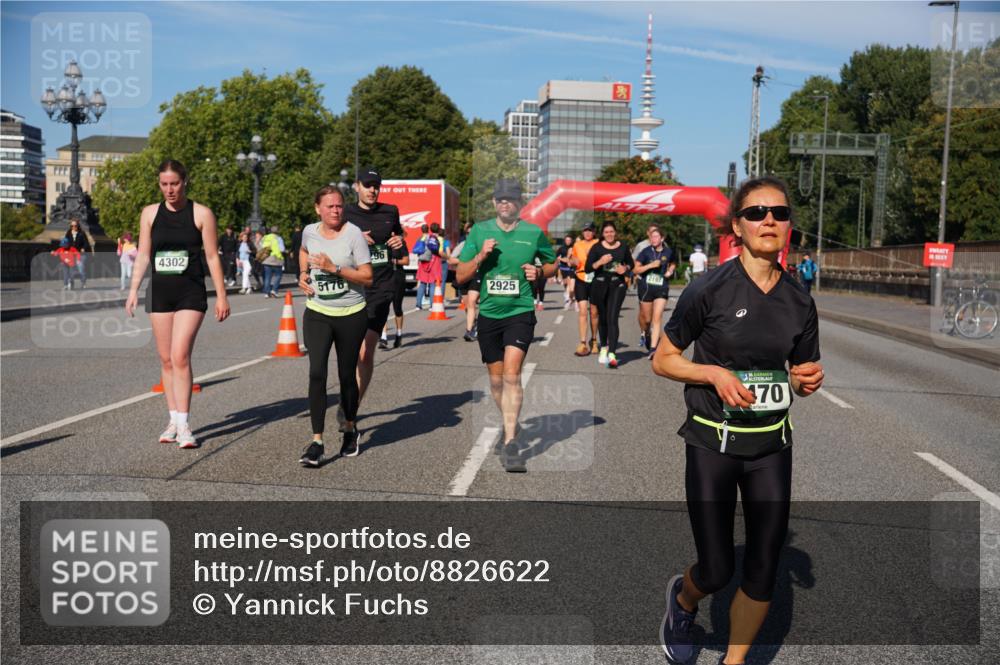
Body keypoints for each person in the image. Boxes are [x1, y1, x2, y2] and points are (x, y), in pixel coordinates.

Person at [652, 175, 823, 665]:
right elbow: (663, 360)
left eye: (780, 213)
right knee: (716, 569)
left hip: (771, 448)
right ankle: (683, 602)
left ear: (789, 225)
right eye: (756, 213)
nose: (769, 220)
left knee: (764, 569)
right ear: (737, 226)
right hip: (712, 444)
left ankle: (734, 660)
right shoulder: (710, 289)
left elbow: (799, 372)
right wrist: (711, 373)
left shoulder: (799, 299)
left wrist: (805, 380)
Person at [125, 159, 230, 449]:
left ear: (185, 182)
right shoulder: (149, 214)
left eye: (174, 184)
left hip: (190, 293)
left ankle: (184, 425)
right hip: (159, 291)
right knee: (166, 359)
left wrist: (221, 295)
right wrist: (133, 289)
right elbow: (144, 254)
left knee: (180, 354)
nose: (169, 190)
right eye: (164, 184)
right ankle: (172, 420)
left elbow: (212, 256)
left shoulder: (201, 214)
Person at [457, 178, 556, 472]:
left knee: (513, 375)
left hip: (520, 311)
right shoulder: (480, 231)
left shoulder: (533, 233)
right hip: (489, 313)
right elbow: (461, 275)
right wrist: (481, 256)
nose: (505, 204)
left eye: (510, 199)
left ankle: (511, 443)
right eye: (500, 199)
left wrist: (538, 271)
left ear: (519, 204)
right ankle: (510, 421)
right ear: (493, 203)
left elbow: (553, 264)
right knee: (497, 380)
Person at [297, 186, 373, 466]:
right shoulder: (309, 231)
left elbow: (367, 277)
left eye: (339, 206)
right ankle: (317, 441)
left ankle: (350, 427)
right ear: (318, 208)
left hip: (352, 313)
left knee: (345, 375)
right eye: (329, 206)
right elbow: (304, 251)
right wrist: (303, 273)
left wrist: (335, 269)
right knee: (316, 372)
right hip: (318, 311)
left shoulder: (353, 234)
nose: (335, 211)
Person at [341, 166, 407, 426]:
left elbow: (400, 239)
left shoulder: (390, 211)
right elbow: (328, 241)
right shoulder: (345, 213)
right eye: (367, 185)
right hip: (349, 289)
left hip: (380, 288)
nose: (372, 190)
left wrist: (399, 241)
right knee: (349, 354)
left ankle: (351, 410)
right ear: (356, 186)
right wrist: (354, 239)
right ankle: (348, 400)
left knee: (365, 353)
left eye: (376, 185)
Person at [585, 221, 634, 368]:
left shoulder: (623, 247)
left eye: (612, 231)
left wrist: (624, 268)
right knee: (603, 319)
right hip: (599, 285)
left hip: (617, 285)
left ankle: (612, 353)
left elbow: (631, 264)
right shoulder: (597, 248)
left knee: (612, 317)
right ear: (602, 234)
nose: (609, 234)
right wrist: (600, 261)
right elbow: (588, 268)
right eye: (606, 232)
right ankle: (604, 347)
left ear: (615, 232)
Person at [634, 225, 677, 357]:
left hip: (661, 287)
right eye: (652, 236)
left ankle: (653, 349)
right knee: (647, 320)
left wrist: (670, 271)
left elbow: (673, 263)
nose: (653, 239)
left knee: (657, 318)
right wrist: (651, 265)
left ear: (662, 238)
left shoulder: (668, 252)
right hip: (646, 288)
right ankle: (646, 333)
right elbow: (636, 270)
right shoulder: (645, 252)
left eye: (656, 236)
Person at [571, 224, 600, 356]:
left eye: (590, 230)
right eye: (585, 230)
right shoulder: (577, 245)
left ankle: (594, 340)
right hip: (581, 278)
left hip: (595, 279)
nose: (587, 233)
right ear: (582, 232)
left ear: (594, 232)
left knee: (594, 312)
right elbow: (574, 258)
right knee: (583, 311)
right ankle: (582, 342)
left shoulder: (599, 243)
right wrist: (572, 261)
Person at [450, 223, 481, 342]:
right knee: (468, 305)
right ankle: (474, 323)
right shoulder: (462, 245)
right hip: (463, 277)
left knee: (472, 302)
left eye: (472, 233)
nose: (470, 235)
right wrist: (465, 261)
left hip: (476, 276)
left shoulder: (480, 245)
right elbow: (451, 260)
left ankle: (469, 331)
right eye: (468, 233)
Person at [379, 235, 409, 350]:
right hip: (383, 278)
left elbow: (406, 261)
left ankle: (399, 334)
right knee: (382, 308)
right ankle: (383, 337)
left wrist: (393, 261)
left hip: (397, 278)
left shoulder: (400, 242)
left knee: (397, 308)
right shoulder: (381, 242)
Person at [414, 223, 443, 310]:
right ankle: (432, 305)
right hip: (434, 262)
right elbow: (440, 251)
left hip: (423, 262)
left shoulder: (422, 238)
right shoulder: (438, 238)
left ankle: (418, 305)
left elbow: (418, 249)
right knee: (432, 284)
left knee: (422, 283)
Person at [64, 217, 92, 288]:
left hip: (80, 254)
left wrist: (83, 248)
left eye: (75, 226)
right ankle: (71, 284)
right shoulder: (68, 233)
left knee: (81, 269)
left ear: (78, 226)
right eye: (72, 226)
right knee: (71, 270)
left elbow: (86, 243)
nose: (73, 227)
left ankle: (83, 282)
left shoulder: (81, 233)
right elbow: (65, 242)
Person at [260, 225, 285, 298]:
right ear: (277, 231)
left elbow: (261, 246)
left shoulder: (265, 237)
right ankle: (274, 290)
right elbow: (282, 249)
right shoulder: (279, 238)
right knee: (278, 275)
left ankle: (267, 292)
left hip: (267, 260)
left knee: (267, 277)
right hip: (277, 260)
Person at [556, 234, 576, 310]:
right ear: (565, 241)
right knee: (565, 284)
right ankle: (570, 297)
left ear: (571, 241)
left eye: (569, 240)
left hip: (571, 268)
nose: (568, 241)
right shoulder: (561, 248)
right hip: (563, 268)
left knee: (570, 284)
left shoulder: (573, 248)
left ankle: (568, 299)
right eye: (567, 240)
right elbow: (557, 258)